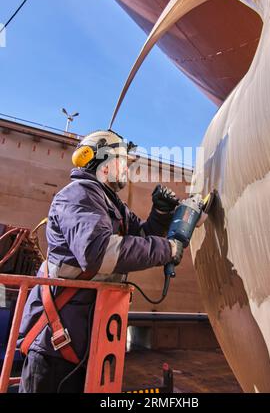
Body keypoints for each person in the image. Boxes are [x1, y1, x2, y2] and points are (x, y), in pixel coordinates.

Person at [18, 129, 184, 393]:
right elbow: (99, 252)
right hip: (55, 347)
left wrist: (161, 215)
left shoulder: (109, 203)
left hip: (83, 340)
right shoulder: (79, 195)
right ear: (104, 161)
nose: (126, 168)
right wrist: (168, 249)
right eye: (122, 160)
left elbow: (140, 238)